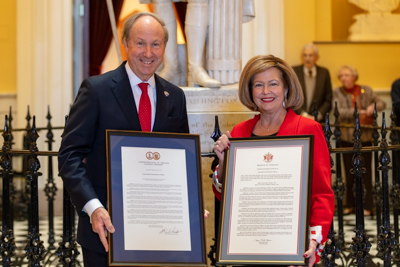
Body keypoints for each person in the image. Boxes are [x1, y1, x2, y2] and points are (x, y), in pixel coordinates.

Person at [58, 12, 189, 267]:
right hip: (106, 229)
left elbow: (180, 160)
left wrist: (188, 204)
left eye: (156, 44)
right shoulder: (96, 90)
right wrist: (93, 207)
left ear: (164, 47)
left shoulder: (175, 96)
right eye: (140, 43)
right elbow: (69, 155)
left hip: (160, 233)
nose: (148, 53)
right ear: (126, 43)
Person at [212, 55, 335, 266]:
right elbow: (227, 197)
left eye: (273, 84)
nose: (266, 91)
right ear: (250, 91)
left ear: (286, 88)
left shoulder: (308, 130)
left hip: (290, 249)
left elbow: (321, 193)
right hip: (248, 247)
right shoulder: (239, 132)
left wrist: (313, 241)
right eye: (258, 85)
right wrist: (223, 162)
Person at [333, 65, 386, 216]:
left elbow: (382, 103)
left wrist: (371, 108)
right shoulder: (337, 92)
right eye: (341, 75)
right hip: (346, 138)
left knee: (366, 173)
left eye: (347, 75)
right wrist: (357, 112)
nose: (344, 78)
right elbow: (338, 111)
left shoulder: (366, 90)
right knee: (349, 174)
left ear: (354, 77)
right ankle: (350, 204)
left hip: (366, 137)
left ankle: (368, 206)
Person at [292, 43, 332, 121]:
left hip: (318, 120)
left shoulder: (324, 73)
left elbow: (328, 98)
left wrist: (318, 115)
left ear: (317, 57)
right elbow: (292, 96)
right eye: (305, 55)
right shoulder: (294, 71)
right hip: (298, 118)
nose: (307, 58)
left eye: (310, 55)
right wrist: (303, 114)